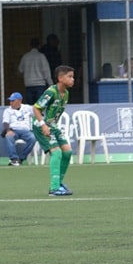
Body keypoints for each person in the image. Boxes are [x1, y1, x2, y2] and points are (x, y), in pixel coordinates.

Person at [34, 65, 76, 196]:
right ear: (60, 78)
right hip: (41, 126)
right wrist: (43, 125)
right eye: (69, 76)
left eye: (73, 76)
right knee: (56, 153)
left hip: (52, 126)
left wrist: (52, 126)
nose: (72, 79)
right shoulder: (51, 92)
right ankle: (53, 188)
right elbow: (36, 108)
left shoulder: (66, 94)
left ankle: (58, 183)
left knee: (68, 152)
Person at [2, 92, 37, 165]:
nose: (11, 103)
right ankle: (14, 159)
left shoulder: (27, 108)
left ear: (19, 101)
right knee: (8, 137)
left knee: (33, 138)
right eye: (10, 101)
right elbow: (5, 122)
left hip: (26, 131)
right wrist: (8, 130)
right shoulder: (8, 110)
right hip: (13, 130)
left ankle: (21, 158)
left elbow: (37, 113)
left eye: (13, 101)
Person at [18, 38, 52, 102]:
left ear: (30, 46)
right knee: (40, 105)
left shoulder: (25, 57)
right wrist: (50, 83)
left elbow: (20, 70)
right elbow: (46, 71)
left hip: (28, 84)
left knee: (29, 106)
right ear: (39, 46)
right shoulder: (41, 56)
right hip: (40, 84)